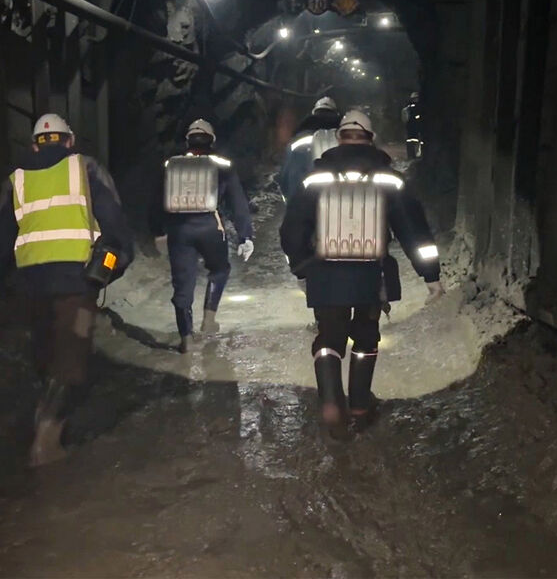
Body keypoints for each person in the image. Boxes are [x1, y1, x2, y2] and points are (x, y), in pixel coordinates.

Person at [280, 110, 444, 437]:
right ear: (371, 139)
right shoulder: (389, 179)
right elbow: (413, 230)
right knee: (366, 336)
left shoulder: (315, 179)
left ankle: (331, 401)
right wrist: (431, 276)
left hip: (326, 274)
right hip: (371, 274)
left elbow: (291, 230)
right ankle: (358, 404)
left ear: (339, 138)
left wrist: (301, 267)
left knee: (329, 337)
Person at [0, 113, 134, 466]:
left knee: (45, 352)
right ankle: (46, 443)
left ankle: (42, 420)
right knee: (71, 357)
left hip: (31, 285)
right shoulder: (85, 168)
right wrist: (110, 269)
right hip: (77, 283)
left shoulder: (16, 180)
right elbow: (116, 230)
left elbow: (2, 239)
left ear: (34, 145)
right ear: (70, 141)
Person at [151, 119, 254, 353]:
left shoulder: (171, 165)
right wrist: (245, 235)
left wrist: (158, 231)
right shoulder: (222, 165)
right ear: (212, 141)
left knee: (182, 283)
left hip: (179, 229)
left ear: (187, 141)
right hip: (210, 226)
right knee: (220, 269)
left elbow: (156, 201)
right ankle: (209, 319)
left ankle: (186, 336)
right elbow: (237, 202)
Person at [278, 97, 342, 202]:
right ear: (336, 114)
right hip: (339, 203)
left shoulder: (297, 140)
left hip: (304, 203)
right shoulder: (345, 139)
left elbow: (286, 177)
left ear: (313, 113)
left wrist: (291, 205)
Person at [401, 91, 422, 159]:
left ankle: (412, 156)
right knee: (416, 142)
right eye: (416, 98)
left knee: (412, 142)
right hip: (415, 127)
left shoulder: (408, 107)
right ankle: (415, 156)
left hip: (411, 128)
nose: (416, 100)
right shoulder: (416, 107)